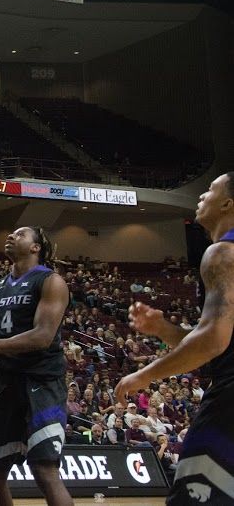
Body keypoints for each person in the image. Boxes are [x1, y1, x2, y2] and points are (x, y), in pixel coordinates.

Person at [115, 172, 234, 505]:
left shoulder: (222, 253)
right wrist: (165, 330)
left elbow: (213, 341)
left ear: (227, 203)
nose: (201, 196)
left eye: (209, 190)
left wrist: (144, 374)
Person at [0, 227, 72, 506]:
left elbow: (42, 336)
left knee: (44, 469)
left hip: (42, 381)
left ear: (36, 248)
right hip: (5, 382)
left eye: (20, 234)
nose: (11, 236)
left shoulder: (50, 281)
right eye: (9, 234)